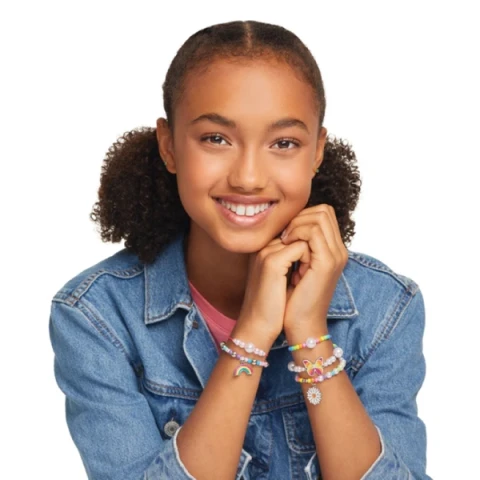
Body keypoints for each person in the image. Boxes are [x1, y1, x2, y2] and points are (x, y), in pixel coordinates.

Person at [48, 20, 431, 480]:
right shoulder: (97, 317)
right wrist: (250, 335)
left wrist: (310, 335)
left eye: (284, 143)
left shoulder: (385, 307)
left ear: (316, 152)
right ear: (169, 146)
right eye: (216, 139)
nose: (248, 177)